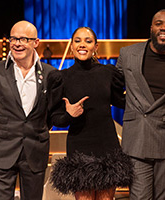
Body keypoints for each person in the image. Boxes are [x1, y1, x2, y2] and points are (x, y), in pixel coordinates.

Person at [47, 27, 133, 200]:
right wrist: (69, 114)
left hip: (107, 145)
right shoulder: (61, 77)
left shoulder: (108, 73)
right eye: (77, 41)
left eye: (88, 41)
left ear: (96, 46)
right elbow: (55, 118)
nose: (82, 45)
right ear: (71, 46)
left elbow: (122, 102)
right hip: (79, 147)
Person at [116, 9, 165, 199]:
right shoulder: (128, 54)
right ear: (151, 28)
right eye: (159, 23)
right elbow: (114, 88)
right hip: (137, 136)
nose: (164, 28)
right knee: (139, 197)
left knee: (164, 197)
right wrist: (131, 107)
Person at [0, 21, 55, 200]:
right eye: (13, 38)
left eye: (23, 39)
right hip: (1, 151)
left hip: (35, 151)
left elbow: (50, 115)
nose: (17, 43)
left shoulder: (50, 74)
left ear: (36, 42)